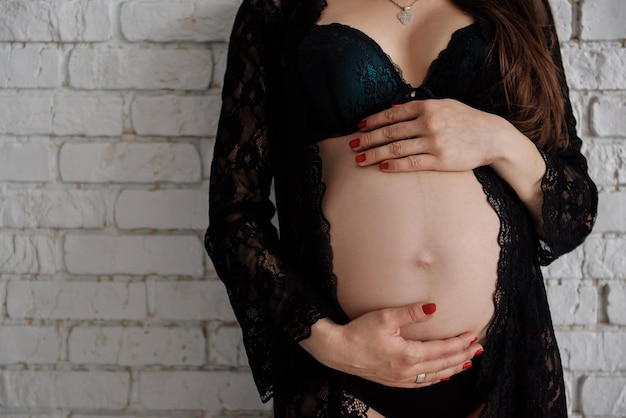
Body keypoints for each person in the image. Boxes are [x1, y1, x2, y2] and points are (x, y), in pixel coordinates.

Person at [205, 0, 598, 416]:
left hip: (501, 366)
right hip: (342, 372)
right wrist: (329, 343)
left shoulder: (520, 5)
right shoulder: (278, 8)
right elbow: (235, 217)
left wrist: (499, 139)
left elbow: (575, 213)